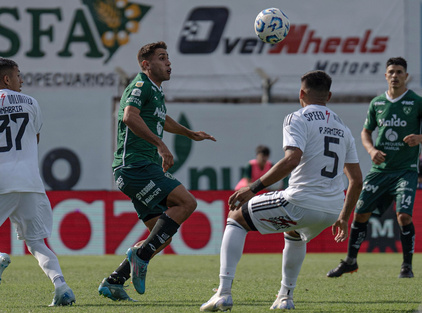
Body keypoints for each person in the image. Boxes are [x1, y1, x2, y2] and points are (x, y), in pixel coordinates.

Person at [200, 70, 362, 311]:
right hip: (331, 209)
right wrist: (343, 217)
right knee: (294, 233)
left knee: (236, 218)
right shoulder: (344, 129)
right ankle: (285, 297)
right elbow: (357, 180)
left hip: (301, 200)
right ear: (329, 95)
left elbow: (291, 160)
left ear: (301, 94)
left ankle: (223, 293)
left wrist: (252, 189)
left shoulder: (297, 118)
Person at [97, 41, 216, 301]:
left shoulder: (155, 91)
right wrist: (162, 145)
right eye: (162, 58)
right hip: (136, 165)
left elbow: (161, 118)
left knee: (159, 239)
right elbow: (129, 115)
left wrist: (188, 133)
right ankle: (140, 257)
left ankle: (114, 281)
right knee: (186, 202)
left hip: (135, 168)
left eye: (168, 58)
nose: (168, 62)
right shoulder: (140, 85)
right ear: (146, 65)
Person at [0, 57, 75, 306]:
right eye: (18, 75)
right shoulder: (31, 102)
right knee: (36, 242)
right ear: (7, 79)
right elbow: (35, 138)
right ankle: (61, 286)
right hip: (31, 183)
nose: (22, 79)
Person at [327, 57, 422, 279]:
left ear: (406, 76)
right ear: (386, 75)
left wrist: (419, 138)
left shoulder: (416, 102)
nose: (395, 75)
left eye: (399, 72)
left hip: (406, 171)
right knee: (359, 214)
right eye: (391, 71)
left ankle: (406, 266)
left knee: (403, 217)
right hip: (380, 172)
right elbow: (365, 131)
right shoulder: (377, 103)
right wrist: (370, 150)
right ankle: (350, 261)